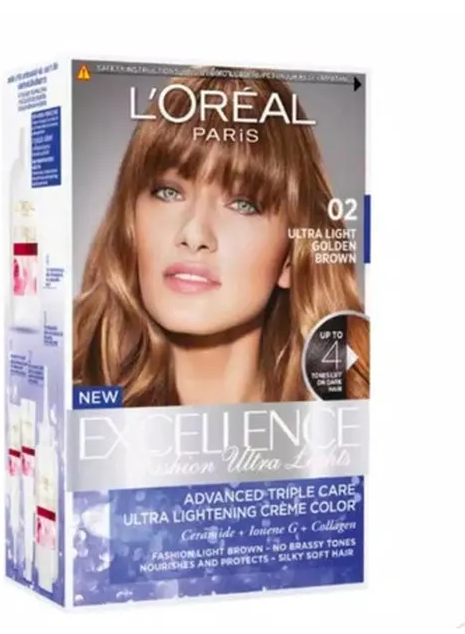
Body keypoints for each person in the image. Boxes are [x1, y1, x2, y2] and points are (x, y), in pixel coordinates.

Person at [73, 74, 367, 406]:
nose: (194, 234)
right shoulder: (77, 406)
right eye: (168, 192)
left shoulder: (345, 420)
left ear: (290, 256)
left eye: (243, 204)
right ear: (130, 222)